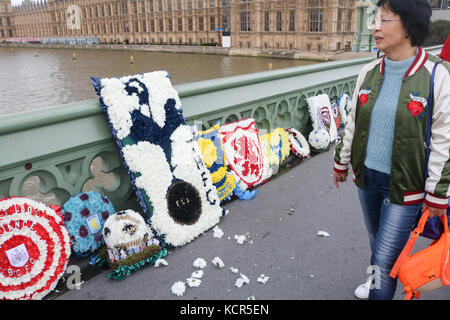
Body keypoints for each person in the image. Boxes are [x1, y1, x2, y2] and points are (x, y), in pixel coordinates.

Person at [332, 0, 450, 300]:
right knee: (377, 244)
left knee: (385, 260)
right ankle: (375, 280)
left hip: (406, 186)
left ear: (409, 26)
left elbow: (444, 139)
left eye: (385, 20)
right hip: (368, 179)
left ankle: (377, 286)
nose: (375, 26)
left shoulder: (437, 76)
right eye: (375, 19)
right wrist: (342, 162)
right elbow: (354, 123)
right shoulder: (369, 72)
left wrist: (437, 192)